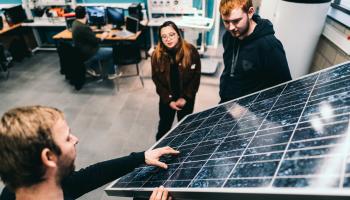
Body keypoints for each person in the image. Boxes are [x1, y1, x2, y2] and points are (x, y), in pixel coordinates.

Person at [0, 105, 177, 200]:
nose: (76, 139)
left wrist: (141, 157)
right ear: (48, 157)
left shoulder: (15, 191)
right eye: (68, 137)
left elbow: (89, 176)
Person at [219, 0, 292, 103]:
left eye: (236, 21)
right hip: (227, 103)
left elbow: (285, 88)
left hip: (250, 111)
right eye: (226, 22)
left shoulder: (269, 46)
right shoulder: (228, 37)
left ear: (250, 12)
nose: (231, 27)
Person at [151, 21, 201, 141]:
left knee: (185, 128)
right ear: (161, 39)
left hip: (186, 98)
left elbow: (195, 77)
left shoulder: (191, 51)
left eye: (171, 34)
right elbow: (156, 80)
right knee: (164, 128)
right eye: (164, 36)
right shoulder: (156, 55)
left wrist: (185, 97)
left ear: (178, 34)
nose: (168, 39)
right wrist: (169, 100)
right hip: (166, 99)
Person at [72, 6, 121, 80]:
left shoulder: (75, 23)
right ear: (86, 15)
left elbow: (87, 36)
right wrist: (103, 35)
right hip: (90, 53)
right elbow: (96, 40)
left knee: (106, 46)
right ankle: (111, 74)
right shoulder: (83, 28)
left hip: (82, 50)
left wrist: (91, 30)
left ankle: (91, 68)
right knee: (112, 51)